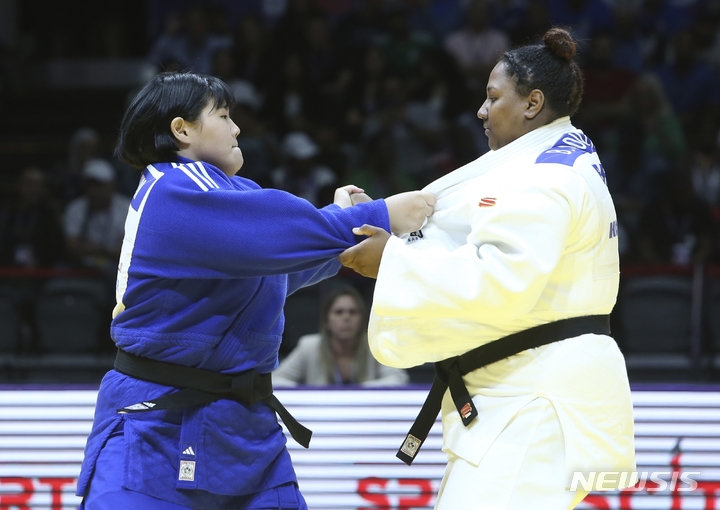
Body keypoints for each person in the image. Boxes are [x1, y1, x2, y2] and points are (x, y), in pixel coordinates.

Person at [75, 71, 435, 510]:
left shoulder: (230, 192)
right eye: (223, 116)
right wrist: (380, 213)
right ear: (181, 129)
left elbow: (277, 269)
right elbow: (278, 235)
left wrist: (345, 235)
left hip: (244, 427)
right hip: (157, 422)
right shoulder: (173, 188)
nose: (237, 128)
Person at [340, 28, 636, 509]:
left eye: (493, 97)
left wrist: (391, 259)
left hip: (533, 401)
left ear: (533, 103)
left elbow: (497, 282)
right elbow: (468, 233)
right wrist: (384, 224)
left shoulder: (544, 178)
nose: (481, 110)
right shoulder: (558, 158)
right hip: (528, 395)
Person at [273, 285, 409, 386]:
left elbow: (399, 380)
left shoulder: (376, 345)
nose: (346, 318)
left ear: (362, 319)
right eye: (339, 312)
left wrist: (358, 391)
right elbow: (275, 380)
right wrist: (309, 392)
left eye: (353, 312)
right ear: (327, 320)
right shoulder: (309, 346)